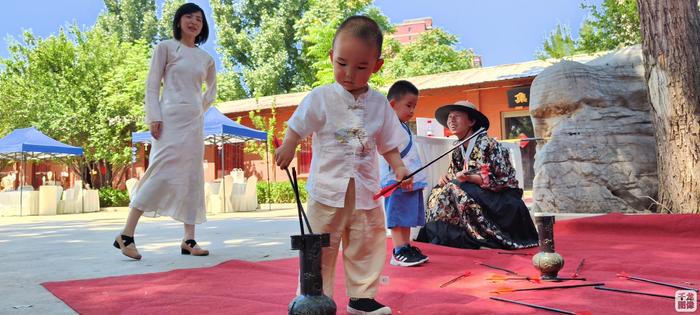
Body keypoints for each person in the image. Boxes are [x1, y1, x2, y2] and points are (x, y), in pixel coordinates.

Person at [275, 15, 410, 315]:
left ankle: (361, 298)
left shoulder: (379, 104)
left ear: (377, 66)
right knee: (318, 246)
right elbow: (298, 125)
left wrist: (399, 168)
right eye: (342, 63)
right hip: (327, 190)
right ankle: (312, 297)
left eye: (361, 67)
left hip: (365, 191)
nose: (349, 74)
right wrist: (289, 144)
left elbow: (388, 143)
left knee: (367, 242)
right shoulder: (321, 97)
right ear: (331, 57)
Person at [113, 3, 216, 260]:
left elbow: (210, 92)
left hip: (194, 124)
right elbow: (151, 84)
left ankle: (188, 239)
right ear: (179, 21)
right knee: (158, 172)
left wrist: (196, 110)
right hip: (168, 121)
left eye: (199, 20)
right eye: (189, 17)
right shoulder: (166, 48)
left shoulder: (206, 59)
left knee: (193, 177)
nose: (194, 22)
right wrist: (154, 116)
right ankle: (126, 235)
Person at [416, 101, 538, 250]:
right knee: (439, 189)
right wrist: (446, 178)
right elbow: (454, 174)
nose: (451, 120)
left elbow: (507, 180)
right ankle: (443, 234)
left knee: (454, 188)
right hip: (475, 194)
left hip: (500, 199)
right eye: (449, 117)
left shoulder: (489, 144)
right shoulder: (457, 149)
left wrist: (472, 178)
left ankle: (479, 236)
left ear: (471, 121)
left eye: (457, 116)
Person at [379, 80, 429, 267]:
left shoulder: (404, 126)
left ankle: (406, 246)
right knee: (398, 215)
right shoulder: (387, 126)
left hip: (410, 178)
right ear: (392, 105)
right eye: (408, 105)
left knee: (406, 216)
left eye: (414, 106)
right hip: (396, 180)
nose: (412, 111)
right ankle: (398, 249)